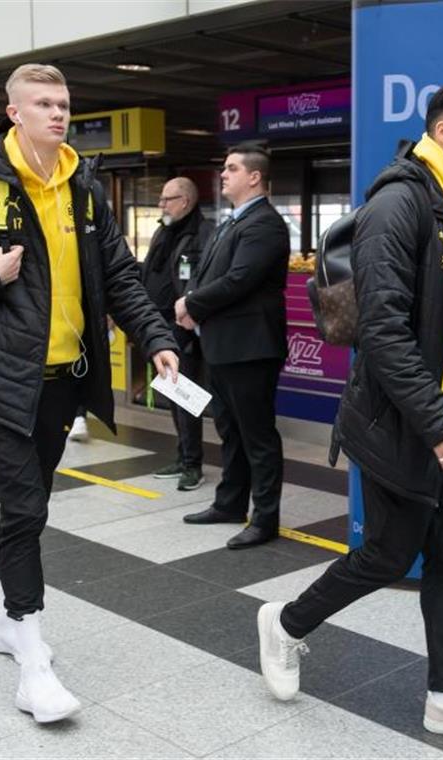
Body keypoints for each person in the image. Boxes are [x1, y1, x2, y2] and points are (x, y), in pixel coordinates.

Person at [0, 63, 179, 724]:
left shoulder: (84, 186)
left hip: (64, 379)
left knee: (33, 503)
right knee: (24, 508)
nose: (58, 114)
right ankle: (33, 665)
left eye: (64, 104)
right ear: (14, 111)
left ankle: (2, 621)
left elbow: (119, 274)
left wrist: (156, 338)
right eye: (44, 104)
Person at [254, 83, 443, 746]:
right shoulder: (399, 204)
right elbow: (383, 330)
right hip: (404, 422)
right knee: (386, 554)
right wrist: (439, 426)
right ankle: (285, 624)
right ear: (442, 130)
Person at [175, 143, 289, 549]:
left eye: (232, 168)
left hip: (251, 348)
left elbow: (239, 279)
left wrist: (191, 304)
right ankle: (230, 503)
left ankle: (266, 518)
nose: (223, 174)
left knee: (257, 436)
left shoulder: (266, 224)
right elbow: (207, 272)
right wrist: (191, 304)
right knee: (230, 431)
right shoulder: (231, 222)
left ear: (254, 177)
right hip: (223, 345)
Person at [142, 177, 213, 490]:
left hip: (184, 327)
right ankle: (183, 455)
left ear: (185, 201)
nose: (162, 205)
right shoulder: (164, 231)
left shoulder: (203, 233)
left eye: (168, 199)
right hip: (159, 325)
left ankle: (192, 464)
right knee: (172, 394)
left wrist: (189, 313)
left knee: (185, 395)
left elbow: (202, 277)